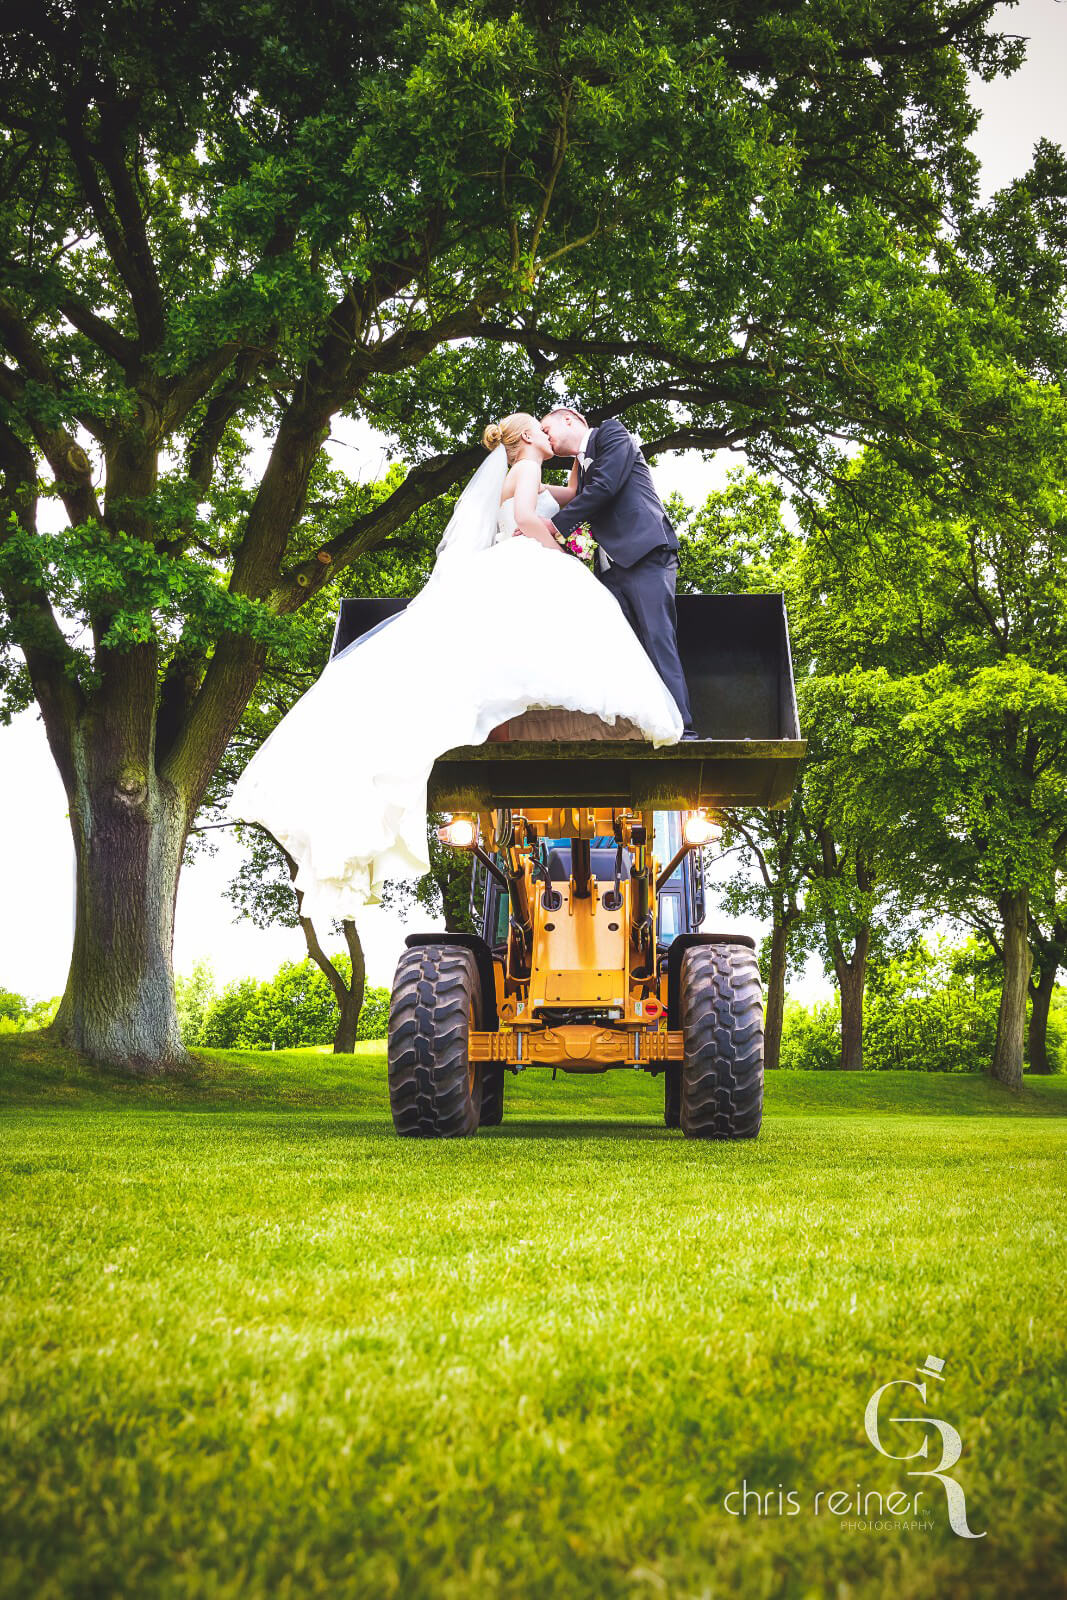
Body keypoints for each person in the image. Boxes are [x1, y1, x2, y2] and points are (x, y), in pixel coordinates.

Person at [227, 413, 684, 922]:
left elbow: (576, 494)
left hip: (521, 557)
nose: (549, 436)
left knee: (517, 665)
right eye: (542, 429)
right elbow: (530, 518)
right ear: (529, 437)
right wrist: (561, 552)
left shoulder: (539, 471)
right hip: (528, 558)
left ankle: (512, 731)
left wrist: (576, 467)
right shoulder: (526, 471)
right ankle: (564, 728)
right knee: (547, 647)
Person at [540, 407, 697, 737]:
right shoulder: (580, 468)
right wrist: (526, 484)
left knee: (657, 640)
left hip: (644, 554)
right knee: (626, 653)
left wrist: (553, 526)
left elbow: (606, 486)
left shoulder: (611, 433)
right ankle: (645, 731)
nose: (544, 436)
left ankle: (683, 731)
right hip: (609, 570)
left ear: (569, 418)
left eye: (546, 428)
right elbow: (576, 496)